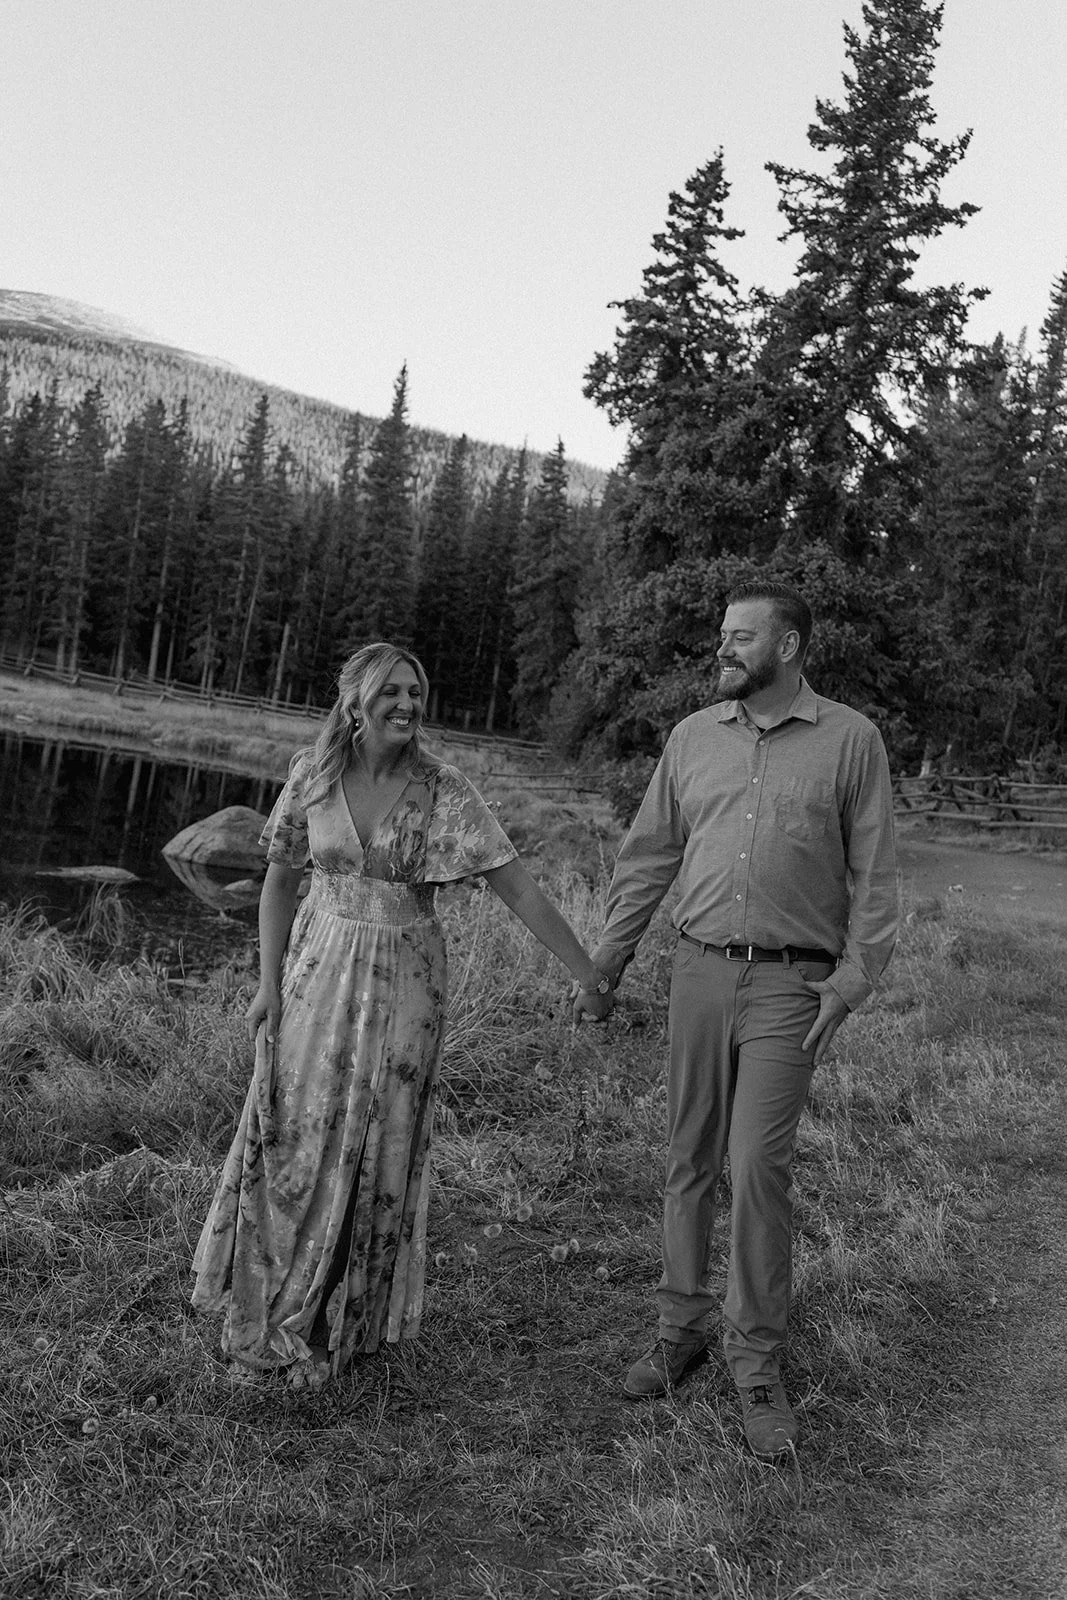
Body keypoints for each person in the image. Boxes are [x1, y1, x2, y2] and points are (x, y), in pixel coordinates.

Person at [192, 641, 614, 1389]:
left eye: (415, 693)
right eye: (390, 692)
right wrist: (266, 985)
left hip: (406, 986)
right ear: (354, 701)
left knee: (373, 1146)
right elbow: (279, 882)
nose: (406, 706)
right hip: (316, 972)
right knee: (293, 1131)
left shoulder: (443, 789)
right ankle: (264, 1312)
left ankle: (331, 1324)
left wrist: (587, 973)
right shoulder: (313, 775)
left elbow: (516, 888)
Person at [573, 581, 898, 1456]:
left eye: (740, 638)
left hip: (792, 985)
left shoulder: (850, 741)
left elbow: (873, 874)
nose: (722, 649)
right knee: (688, 1156)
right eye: (722, 635)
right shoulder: (689, 739)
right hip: (696, 971)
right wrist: (608, 955)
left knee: (757, 1166)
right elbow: (647, 858)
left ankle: (755, 1364)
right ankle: (680, 1332)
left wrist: (853, 978)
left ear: (787, 647)